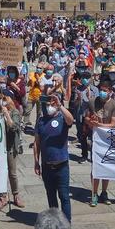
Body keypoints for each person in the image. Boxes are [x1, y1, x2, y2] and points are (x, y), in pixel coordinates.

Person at [34, 94, 74, 222]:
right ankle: (56, 224)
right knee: (51, 197)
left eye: (52, 104)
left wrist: (60, 105)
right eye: (48, 105)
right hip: (47, 166)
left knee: (64, 197)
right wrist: (36, 161)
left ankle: (67, 227)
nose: (50, 107)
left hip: (61, 166)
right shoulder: (41, 121)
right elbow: (37, 143)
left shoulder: (62, 119)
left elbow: (71, 120)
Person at [86, 82, 115, 206]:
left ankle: (104, 192)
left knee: (106, 166)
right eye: (101, 90)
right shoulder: (92, 102)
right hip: (95, 138)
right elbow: (86, 118)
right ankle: (94, 193)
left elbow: (113, 124)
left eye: (105, 90)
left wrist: (99, 125)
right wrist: (91, 121)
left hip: (108, 139)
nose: (102, 92)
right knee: (95, 167)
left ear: (110, 91)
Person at [0, 94, 25, 210]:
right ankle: (3, 196)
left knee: (12, 173)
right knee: (1, 172)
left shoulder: (15, 112)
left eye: (4, 99)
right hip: (0, 147)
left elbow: (14, 127)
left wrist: (7, 114)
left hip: (11, 147)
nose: (1, 102)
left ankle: (16, 195)